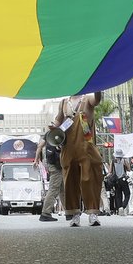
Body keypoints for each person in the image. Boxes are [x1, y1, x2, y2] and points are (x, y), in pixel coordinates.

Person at [55, 92, 103, 227]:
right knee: (70, 181)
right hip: (68, 148)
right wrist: (54, 126)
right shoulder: (64, 102)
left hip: (86, 147)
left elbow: (97, 100)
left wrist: (98, 85)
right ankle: (75, 215)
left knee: (89, 179)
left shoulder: (87, 99)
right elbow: (59, 119)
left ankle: (93, 214)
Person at [35, 128, 63, 223]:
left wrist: (36, 159)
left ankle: (69, 211)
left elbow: (39, 146)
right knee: (53, 189)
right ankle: (45, 213)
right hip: (57, 166)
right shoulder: (62, 131)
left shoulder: (48, 133)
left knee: (62, 189)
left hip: (53, 165)